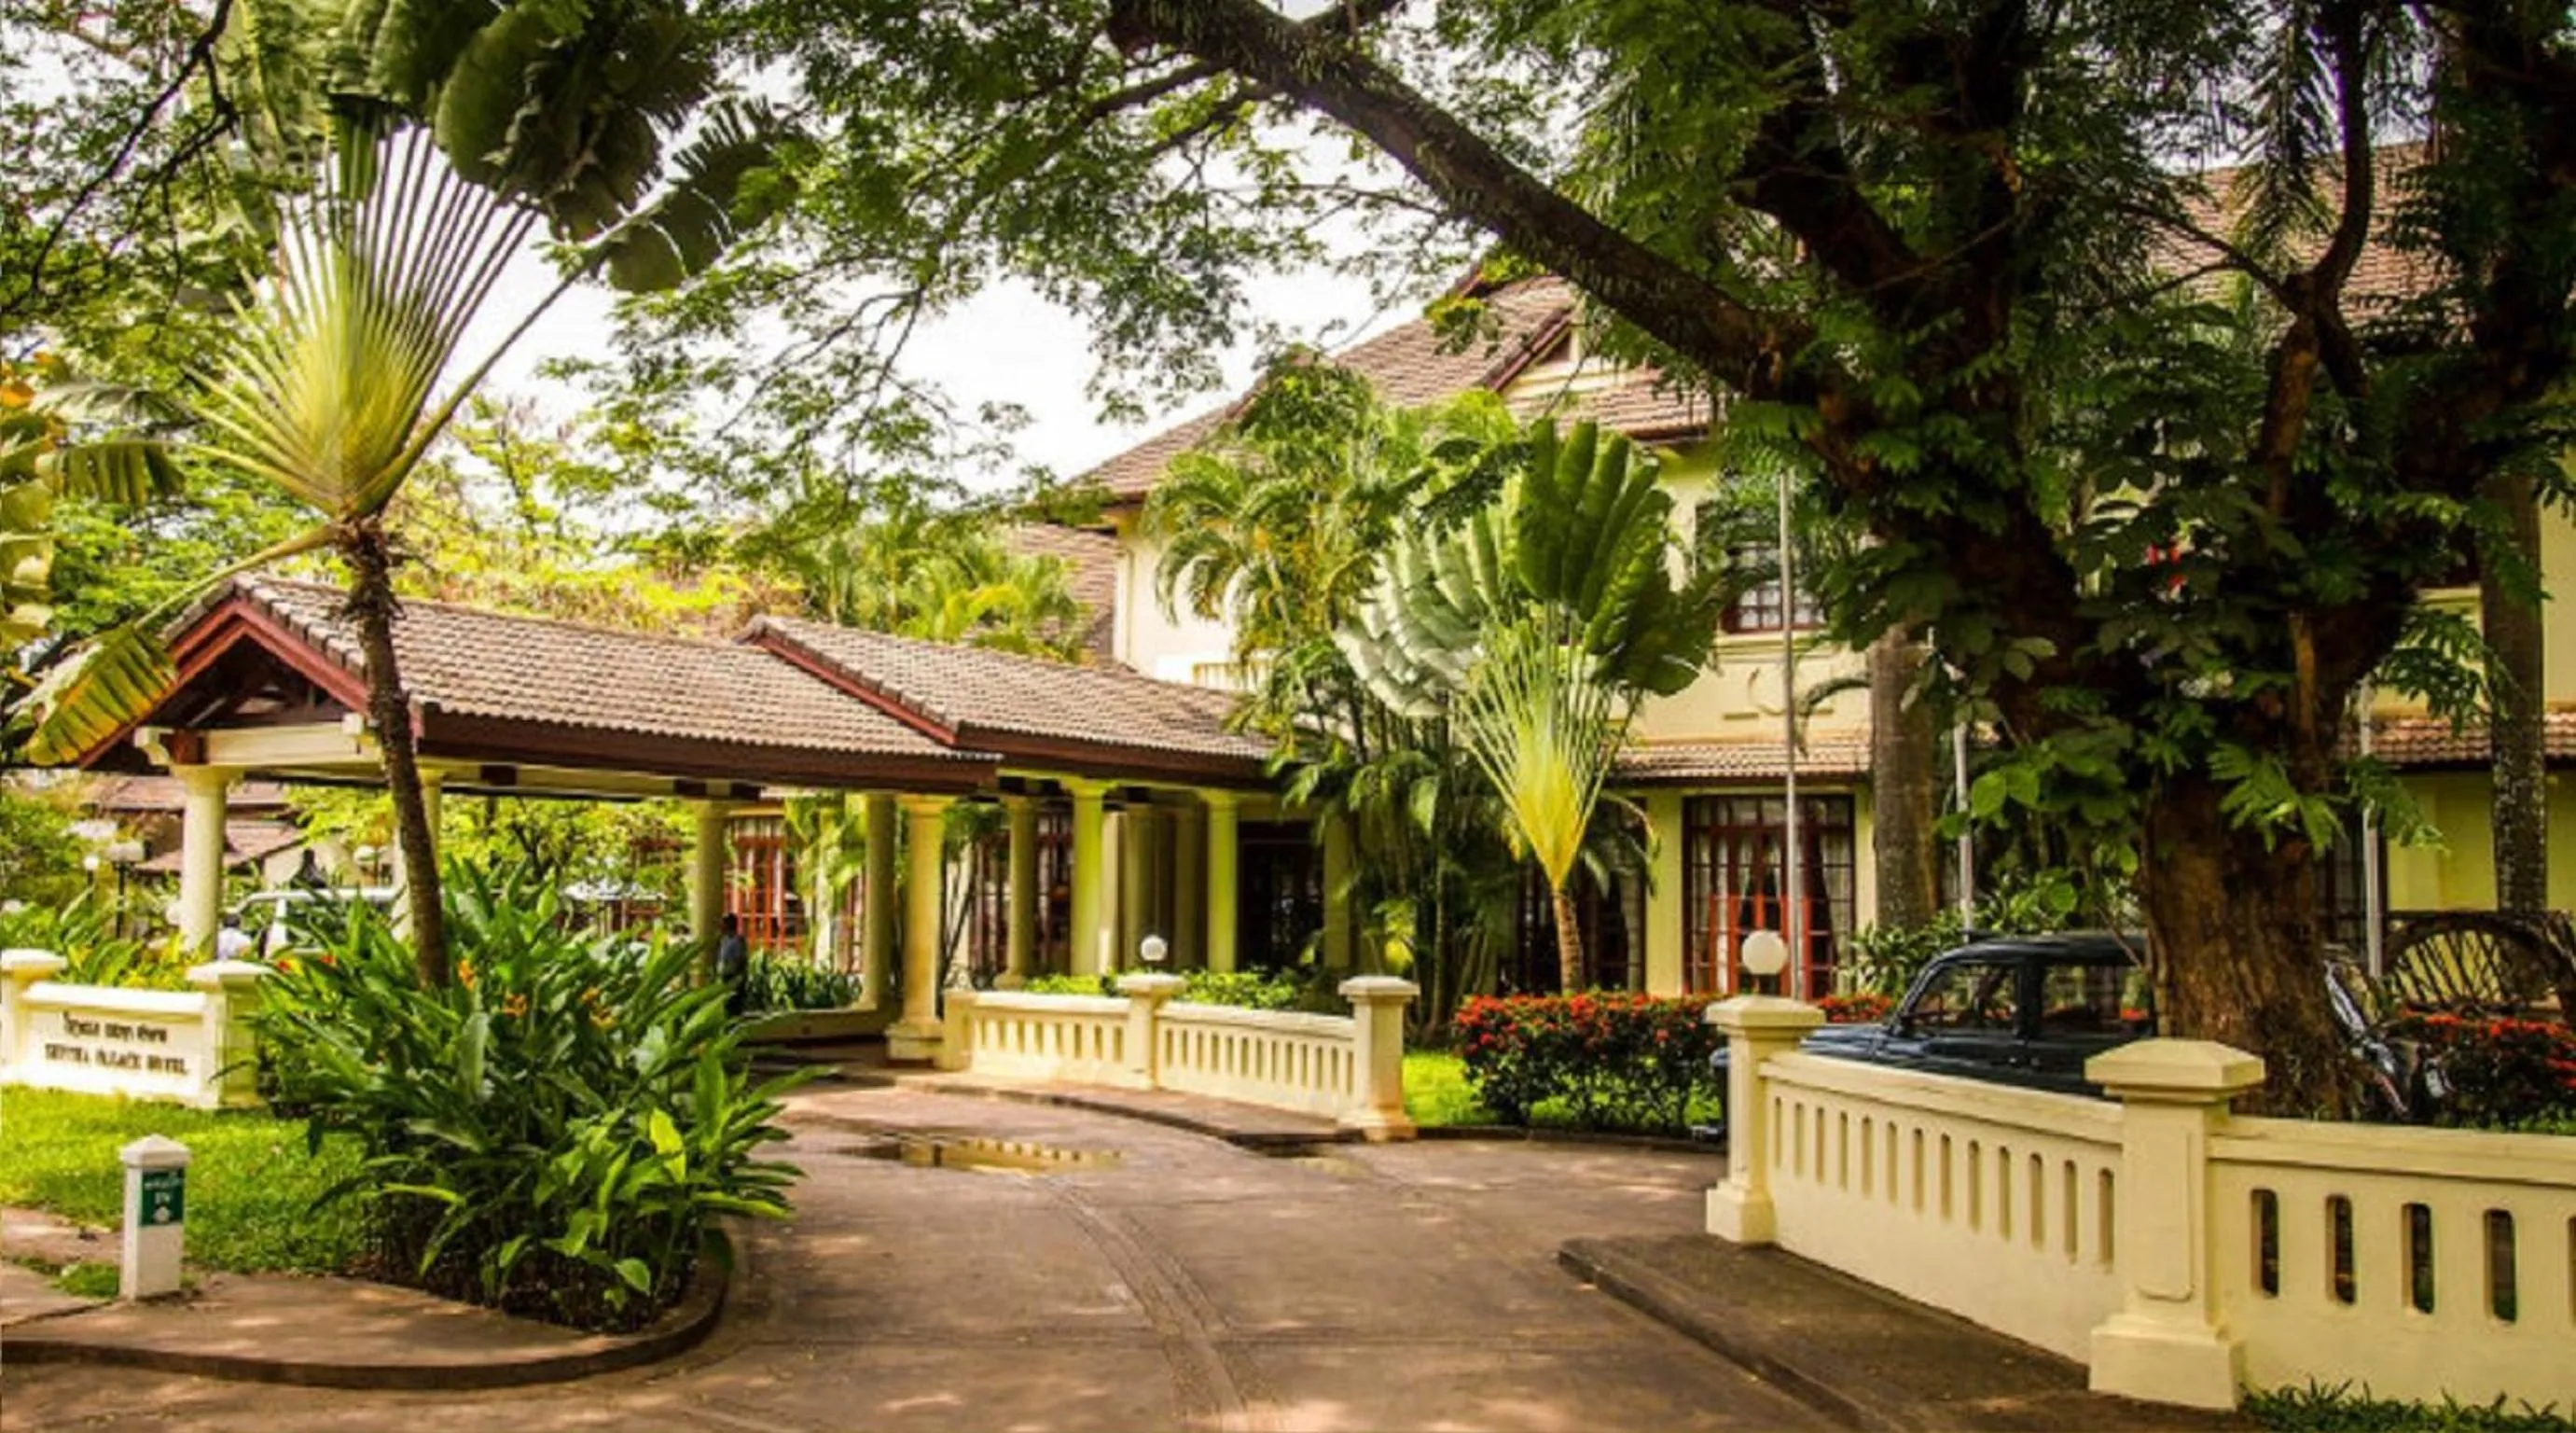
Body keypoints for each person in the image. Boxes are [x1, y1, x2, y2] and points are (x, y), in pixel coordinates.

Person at [714, 913, 751, 1018]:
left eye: (723, 924)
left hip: (734, 977)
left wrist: (738, 977)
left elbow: (741, 960)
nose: (721, 927)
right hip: (725, 976)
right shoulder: (724, 940)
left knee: (734, 1005)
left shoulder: (738, 940)